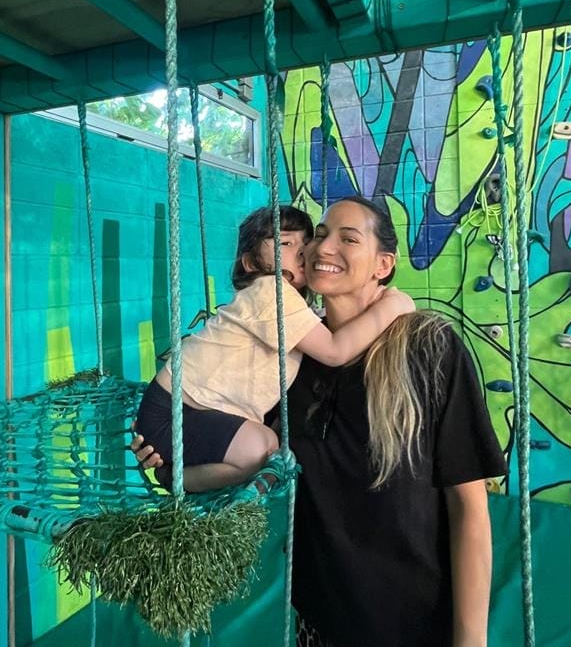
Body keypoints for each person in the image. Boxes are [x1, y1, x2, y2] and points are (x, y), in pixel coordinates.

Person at [133, 197, 506, 647]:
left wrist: (471, 639)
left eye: (348, 238)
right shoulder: (288, 362)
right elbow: (243, 457)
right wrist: (169, 456)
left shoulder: (429, 347)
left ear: (383, 265)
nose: (321, 248)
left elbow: (468, 504)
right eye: (320, 235)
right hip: (320, 614)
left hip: (411, 618)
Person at [136, 204, 414, 494]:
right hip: (176, 411)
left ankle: (180, 476)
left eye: (306, 242)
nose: (304, 251)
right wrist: (393, 305)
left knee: (269, 449)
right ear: (250, 263)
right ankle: (175, 478)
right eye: (285, 244)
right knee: (264, 449)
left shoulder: (294, 308)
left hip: (197, 411)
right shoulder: (270, 291)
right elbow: (334, 352)